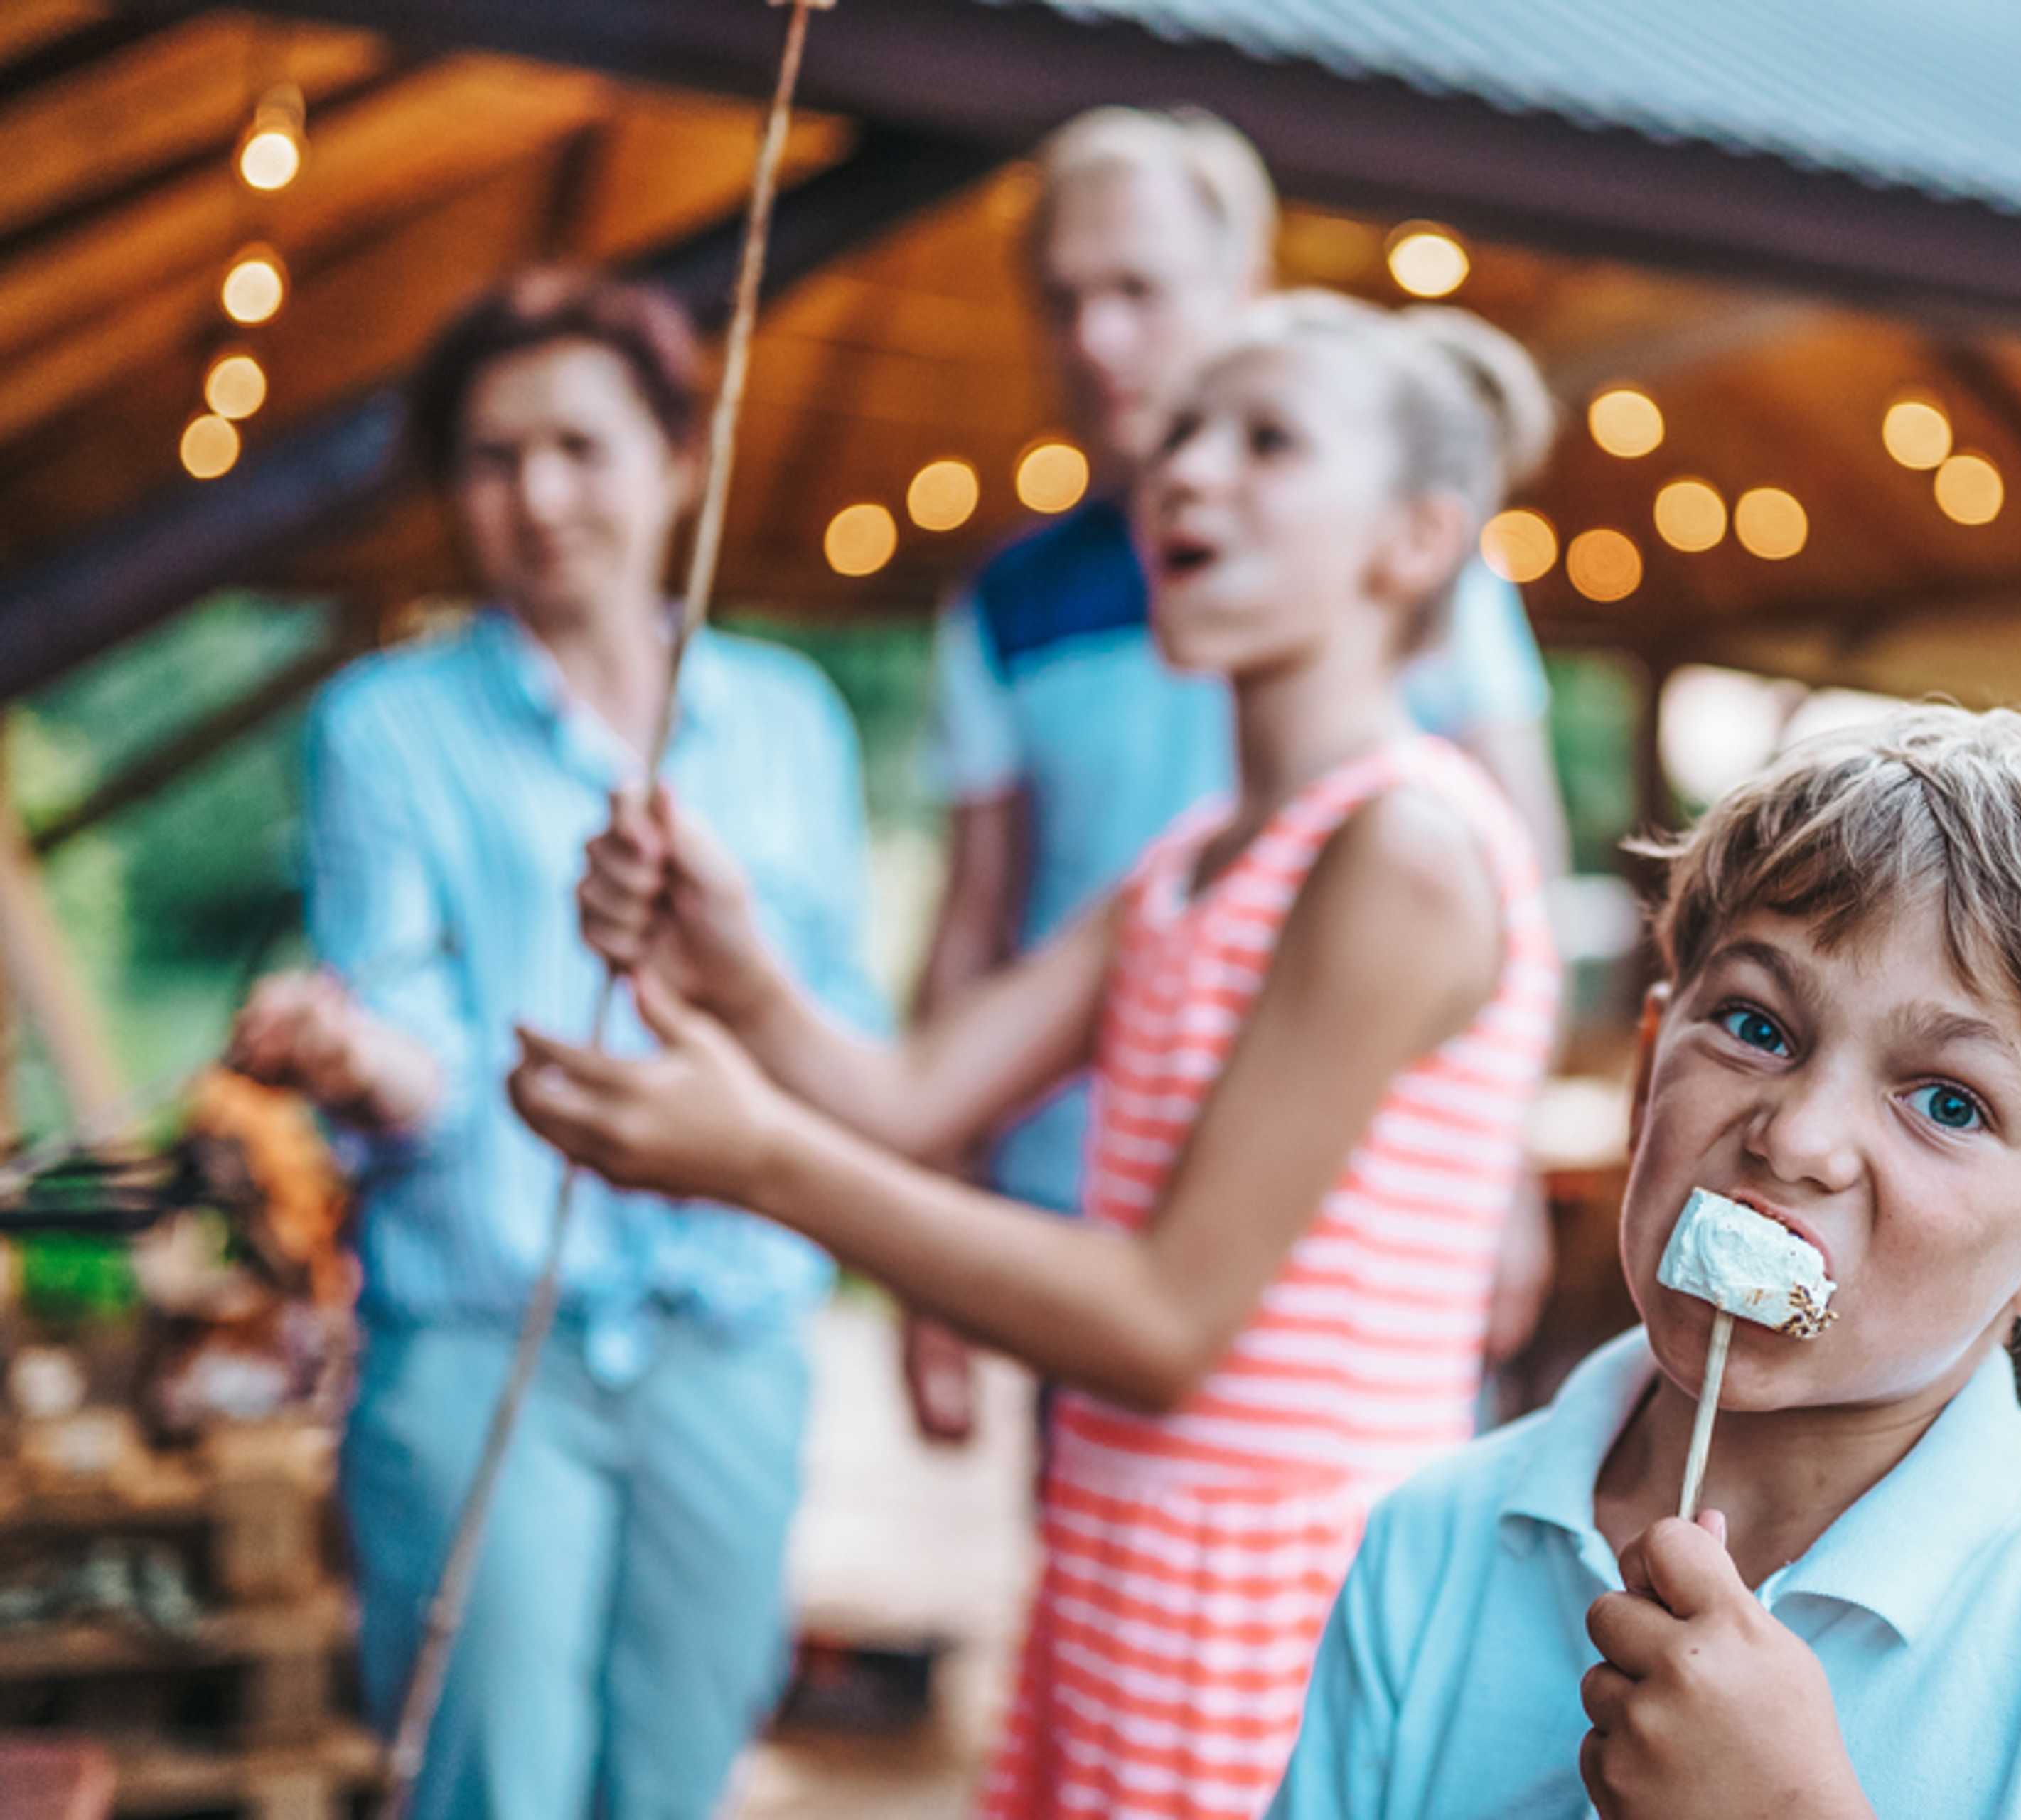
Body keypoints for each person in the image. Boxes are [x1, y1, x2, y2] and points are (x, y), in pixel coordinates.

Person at [505, 290, 1562, 1819]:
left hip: (1279, 1597)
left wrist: (757, 1166)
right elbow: (906, 1092)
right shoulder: (1190, 859)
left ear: (1410, 541)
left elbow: (1160, 1318)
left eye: (1264, 440)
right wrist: (736, 969)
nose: (1185, 472)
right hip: (1124, 1550)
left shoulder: (1402, 847)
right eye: (1186, 434)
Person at [1267, 705, 2021, 1819]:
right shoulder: (1430, 1541)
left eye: (1946, 1102)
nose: (1798, 1137)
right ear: (1644, 1078)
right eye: (1756, 1027)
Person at [227, 272, 884, 1820]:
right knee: (487, 1781)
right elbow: (414, 1027)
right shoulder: (385, 724)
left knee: (679, 1774)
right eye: (491, 456)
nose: (538, 494)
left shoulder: (786, 720)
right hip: (483, 1330)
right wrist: (356, 1056)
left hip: (729, 1332)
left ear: (678, 459)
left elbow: (843, 1026)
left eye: (580, 446)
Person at [905, 106, 1567, 1435]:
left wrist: (1497, 1171)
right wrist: (942, 1235)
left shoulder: (1394, 556)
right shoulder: (1006, 599)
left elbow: (1517, 879)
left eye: (1139, 291)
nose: (1096, 338)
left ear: (1240, 288)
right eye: (1063, 300)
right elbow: (977, 916)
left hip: (1338, 1200)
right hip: (1067, 1188)